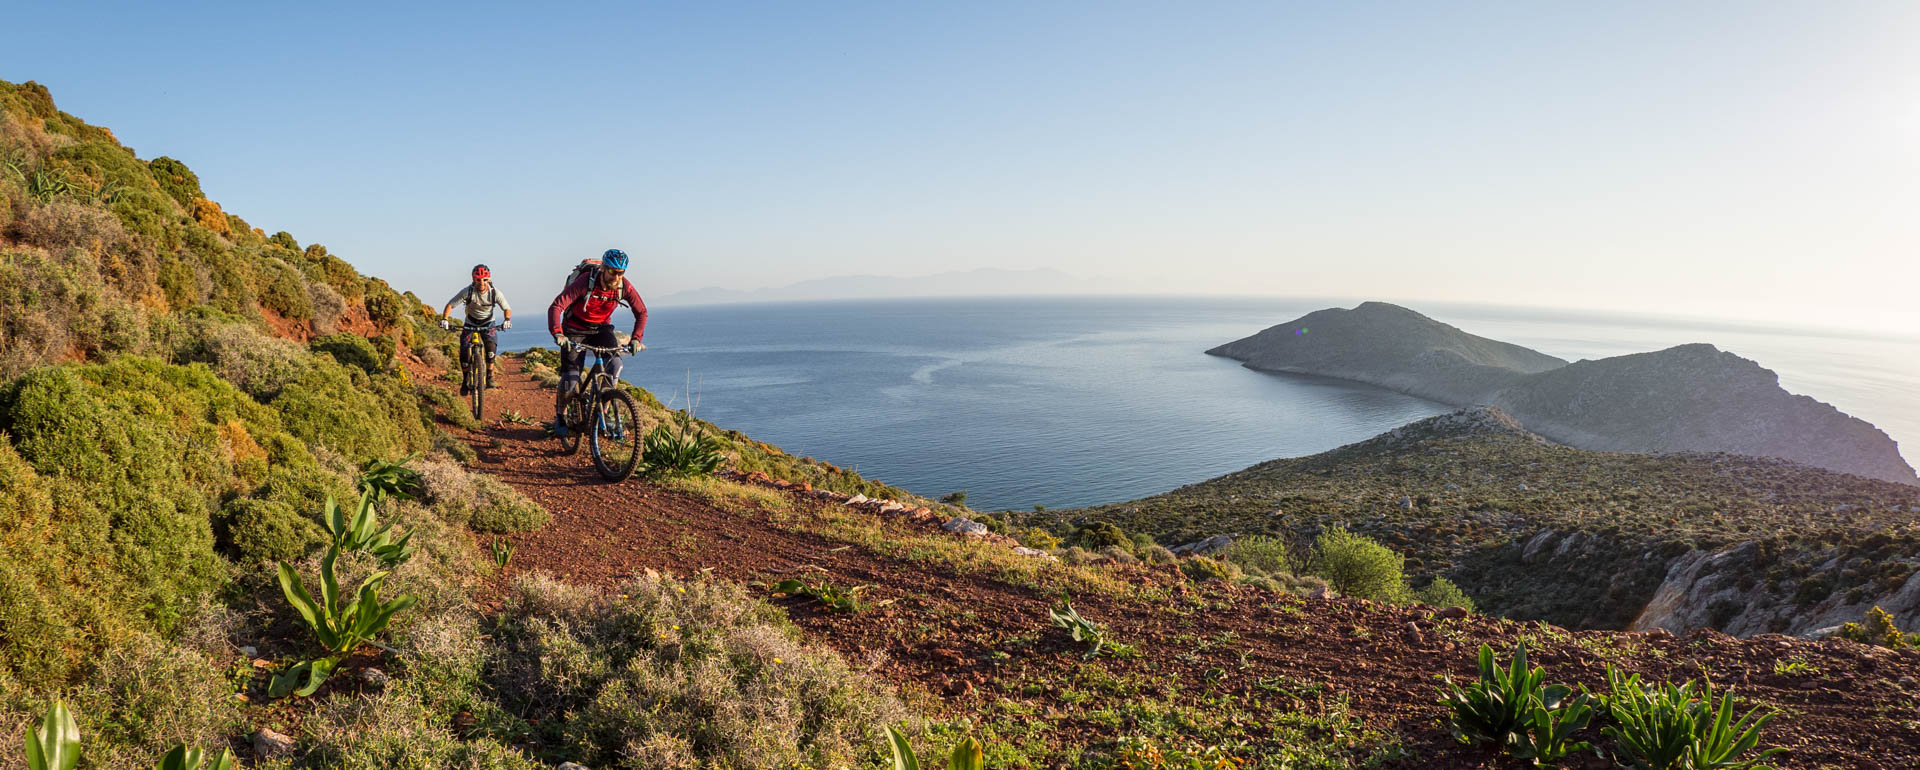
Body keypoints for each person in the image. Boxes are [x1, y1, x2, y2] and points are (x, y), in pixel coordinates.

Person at [547, 249, 647, 436]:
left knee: (615, 365)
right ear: (603, 268)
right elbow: (557, 306)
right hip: (575, 328)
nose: (616, 276)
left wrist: (636, 338)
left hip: (601, 329)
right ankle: (561, 415)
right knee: (571, 379)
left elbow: (641, 312)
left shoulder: (624, 286)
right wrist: (558, 333)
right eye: (612, 271)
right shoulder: (585, 282)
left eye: (621, 272)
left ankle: (604, 412)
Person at [440, 264, 512, 393]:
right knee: (463, 350)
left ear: (488, 279)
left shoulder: (495, 292)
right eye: (478, 279)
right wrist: (445, 319)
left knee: (491, 349)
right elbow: (450, 305)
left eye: (484, 279)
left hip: (488, 323)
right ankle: (465, 380)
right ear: (473, 279)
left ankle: (489, 377)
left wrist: (507, 320)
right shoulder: (467, 291)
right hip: (470, 323)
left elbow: (506, 308)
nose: (481, 283)